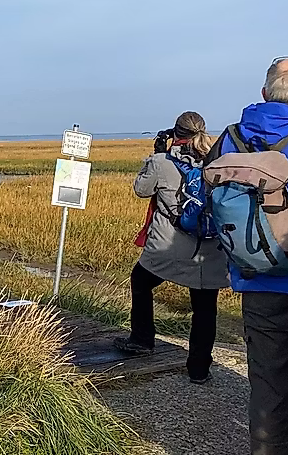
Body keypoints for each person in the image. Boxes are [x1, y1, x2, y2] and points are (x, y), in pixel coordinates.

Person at [206, 57, 288, 455]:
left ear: (264, 93)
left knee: (268, 387)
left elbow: (209, 203)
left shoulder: (230, 138)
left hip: (256, 277)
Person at [113, 111, 229, 384]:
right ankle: (199, 369)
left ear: (175, 134)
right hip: (210, 250)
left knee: (141, 281)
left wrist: (156, 155)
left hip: (169, 245)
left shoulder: (162, 162)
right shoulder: (219, 162)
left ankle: (142, 339)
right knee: (205, 308)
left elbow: (142, 190)